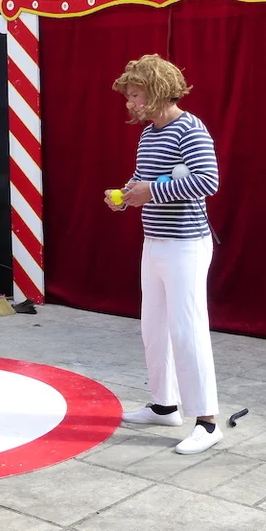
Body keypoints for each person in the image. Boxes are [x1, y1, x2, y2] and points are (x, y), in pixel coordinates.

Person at [105, 53, 222, 455]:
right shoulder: (149, 134)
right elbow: (142, 179)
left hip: (186, 245)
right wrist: (125, 195)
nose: (130, 103)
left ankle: (207, 422)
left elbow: (207, 181)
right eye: (129, 95)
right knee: (153, 326)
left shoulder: (190, 129)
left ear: (157, 92)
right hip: (154, 241)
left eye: (136, 95)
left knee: (187, 330)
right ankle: (164, 405)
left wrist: (150, 192)